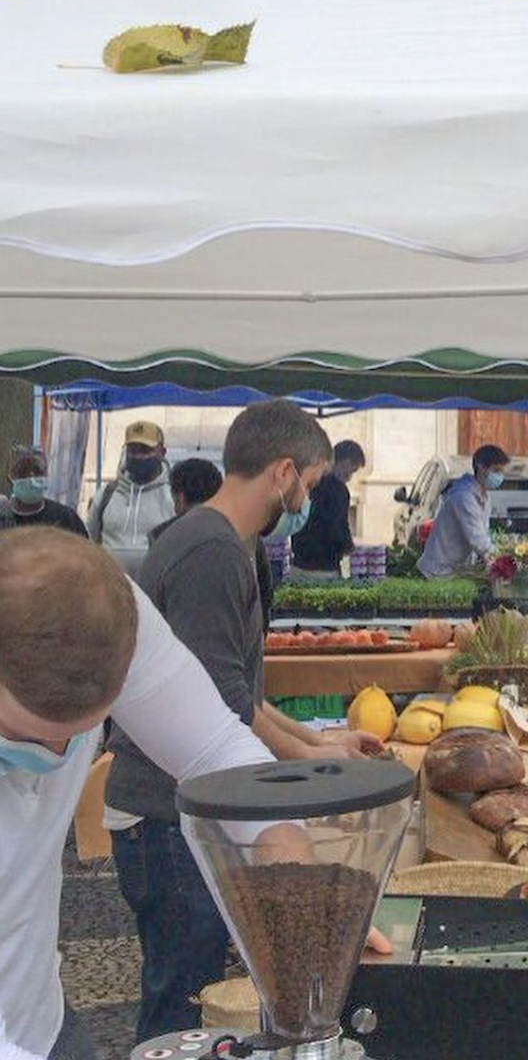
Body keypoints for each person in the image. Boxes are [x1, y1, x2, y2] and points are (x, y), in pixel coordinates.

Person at [105, 401, 383, 1043]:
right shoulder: (213, 554)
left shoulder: (219, 541)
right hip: (169, 820)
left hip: (181, 812)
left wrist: (320, 743)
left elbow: (235, 695)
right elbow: (224, 710)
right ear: (283, 473)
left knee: (187, 990)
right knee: (182, 1008)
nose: (308, 500)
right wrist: (308, 767)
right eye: (310, 486)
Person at [0, 527, 278, 1060]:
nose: (55, 755)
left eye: (80, 731)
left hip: (42, 1016)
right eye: (26, 735)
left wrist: (291, 875)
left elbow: (216, 750)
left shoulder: (100, 611)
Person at [151, 457, 275, 624]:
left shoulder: (162, 538)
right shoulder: (247, 535)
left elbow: (153, 598)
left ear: (179, 498)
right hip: (234, 637)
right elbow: (264, 595)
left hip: (178, 638)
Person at [86, 420, 175, 579]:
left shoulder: (174, 496)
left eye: (145, 450)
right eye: (133, 450)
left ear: (162, 452)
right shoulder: (106, 494)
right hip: (111, 590)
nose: (138, 456)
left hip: (156, 591)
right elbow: (90, 540)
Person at [417, 444, 509, 577]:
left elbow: (483, 535)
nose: (499, 476)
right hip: (437, 572)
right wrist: (506, 559)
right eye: (496, 470)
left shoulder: (484, 497)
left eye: (501, 471)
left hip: (455, 571)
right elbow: (478, 540)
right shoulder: (463, 497)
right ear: (481, 467)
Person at [291, 439, 366, 578]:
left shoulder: (308, 482)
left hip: (298, 564)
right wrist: (349, 547)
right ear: (346, 463)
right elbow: (338, 526)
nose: (350, 477)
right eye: (352, 471)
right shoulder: (339, 490)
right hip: (324, 567)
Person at [0, 445, 87, 536]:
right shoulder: (4, 519)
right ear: (12, 477)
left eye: (37, 471)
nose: (31, 478)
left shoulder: (67, 519)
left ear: (46, 475)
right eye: (23, 471)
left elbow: (85, 548)